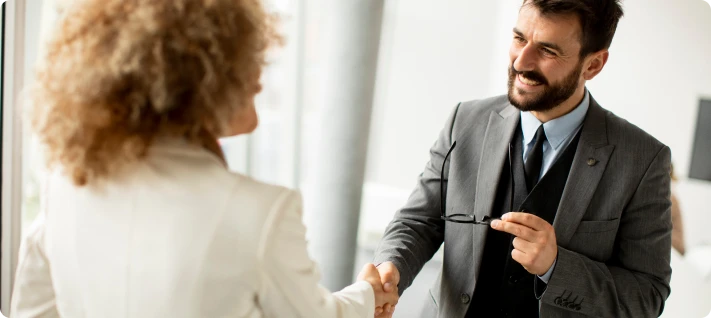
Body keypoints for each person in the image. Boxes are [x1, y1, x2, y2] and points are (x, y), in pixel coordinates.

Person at [10, 0, 397, 317]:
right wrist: (366, 295)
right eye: (245, 60)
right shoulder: (262, 212)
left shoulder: (64, 185)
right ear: (196, 77)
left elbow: (34, 312)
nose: (260, 77)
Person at [372, 0, 672, 317]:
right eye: (519, 38)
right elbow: (420, 220)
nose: (521, 61)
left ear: (593, 65)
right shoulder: (465, 120)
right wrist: (391, 267)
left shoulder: (644, 161)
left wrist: (557, 267)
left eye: (548, 51)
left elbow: (646, 297)